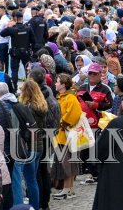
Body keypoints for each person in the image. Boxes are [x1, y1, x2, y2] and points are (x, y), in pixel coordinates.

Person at [10, 79, 46, 210]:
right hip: (39, 144)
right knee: (33, 180)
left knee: (30, 180)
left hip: (30, 146)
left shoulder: (26, 108)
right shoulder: (42, 105)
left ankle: (34, 207)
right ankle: (36, 206)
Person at [51, 73, 81, 201]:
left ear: (63, 84)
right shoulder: (62, 97)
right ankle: (69, 189)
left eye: (57, 82)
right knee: (68, 163)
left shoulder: (70, 98)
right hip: (62, 135)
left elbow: (74, 115)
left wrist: (60, 123)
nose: (55, 84)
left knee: (67, 164)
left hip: (66, 135)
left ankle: (67, 190)